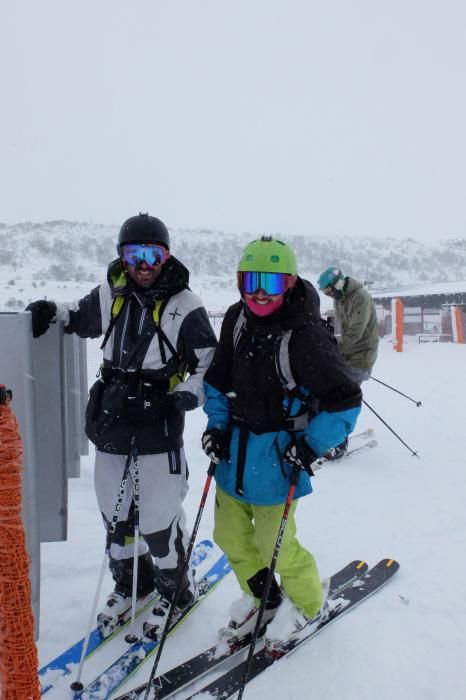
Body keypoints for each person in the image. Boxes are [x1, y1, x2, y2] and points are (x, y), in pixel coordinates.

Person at [26, 213, 217, 639]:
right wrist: (48, 311)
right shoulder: (109, 293)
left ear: (166, 256)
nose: (144, 263)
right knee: (117, 519)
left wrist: (184, 395)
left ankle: (175, 592)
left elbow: (209, 365)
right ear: (122, 256)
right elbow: (75, 316)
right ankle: (134, 584)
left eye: (154, 254)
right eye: (135, 254)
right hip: (112, 418)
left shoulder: (186, 306)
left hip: (157, 422)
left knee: (157, 521)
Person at [201, 236, 362, 655]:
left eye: (270, 283)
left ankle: (308, 603)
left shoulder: (306, 335)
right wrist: (216, 426)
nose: (258, 292)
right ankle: (264, 599)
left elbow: (345, 399)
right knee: (230, 537)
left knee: (277, 544)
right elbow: (217, 381)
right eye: (251, 280)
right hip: (233, 454)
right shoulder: (236, 319)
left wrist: (311, 446)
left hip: (276, 460)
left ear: (289, 284)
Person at [317, 267, 379, 385]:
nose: (329, 295)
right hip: (348, 354)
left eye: (329, 292)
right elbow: (341, 327)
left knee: (342, 392)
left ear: (337, 284)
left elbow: (355, 332)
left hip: (362, 356)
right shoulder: (339, 299)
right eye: (326, 294)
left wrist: (333, 349)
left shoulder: (361, 298)